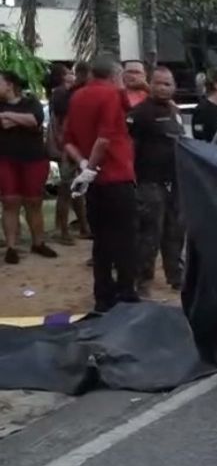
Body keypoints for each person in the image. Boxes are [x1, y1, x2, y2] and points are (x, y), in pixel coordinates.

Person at [63, 56, 138, 312]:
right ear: (115, 74)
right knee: (125, 240)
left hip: (93, 182)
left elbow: (68, 141)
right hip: (116, 176)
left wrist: (83, 165)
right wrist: (92, 167)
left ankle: (103, 296)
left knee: (102, 241)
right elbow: (104, 140)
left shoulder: (77, 96)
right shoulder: (111, 96)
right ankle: (126, 294)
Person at [129, 67, 184, 294]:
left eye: (168, 84)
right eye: (159, 83)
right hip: (149, 183)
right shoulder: (140, 113)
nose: (164, 88)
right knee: (150, 234)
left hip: (175, 182)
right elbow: (130, 148)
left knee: (175, 232)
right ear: (150, 84)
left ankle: (176, 276)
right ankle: (143, 281)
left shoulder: (174, 111)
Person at [0, 70, 58, 264]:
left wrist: (8, 115)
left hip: (33, 159)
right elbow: (24, 122)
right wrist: (21, 120)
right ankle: (11, 247)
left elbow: (34, 120)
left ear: (9, 84)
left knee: (34, 202)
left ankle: (38, 242)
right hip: (5, 159)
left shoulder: (31, 101)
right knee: (10, 202)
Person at [48, 62, 91, 244]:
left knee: (78, 189)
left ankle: (82, 226)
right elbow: (60, 123)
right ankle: (62, 230)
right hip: (69, 146)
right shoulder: (63, 94)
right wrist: (63, 146)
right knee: (66, 189)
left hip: (77, 145)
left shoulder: (76, 92)